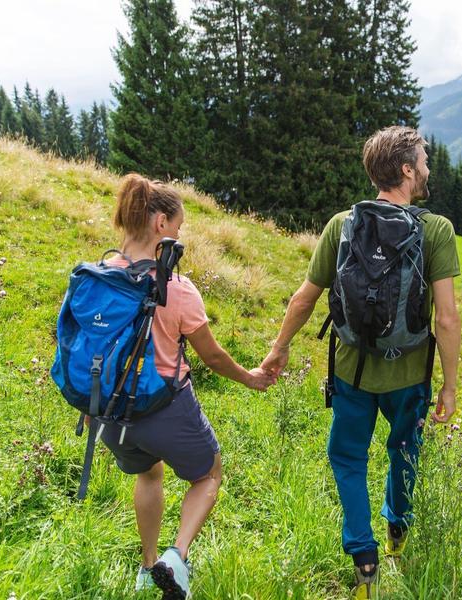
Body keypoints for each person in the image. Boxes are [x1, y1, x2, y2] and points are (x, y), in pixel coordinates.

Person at [260, 126, 462, 599]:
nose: (427, 168)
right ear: (407, 170)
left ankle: (363, 558)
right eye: (423, 161)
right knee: (404, 450)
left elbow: (305, 297)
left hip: (351, 371)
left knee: (347, 457)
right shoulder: (435, 230)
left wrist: (280, 346)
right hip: (409, 374)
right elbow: (447, 318)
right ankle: (397, 528)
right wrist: (450, 385)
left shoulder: (342, 224)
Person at [100, 174, 275, 599]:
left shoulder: (99, 276)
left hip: (109, 411)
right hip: (164, 407)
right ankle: (175, 558)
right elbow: (212, 356)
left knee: (148, 473)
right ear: (160, 223)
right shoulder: (177, 290)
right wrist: (250, 377)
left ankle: (147, 568)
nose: (179, 236)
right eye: (177, 226)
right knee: (209, 474)